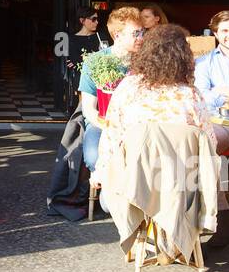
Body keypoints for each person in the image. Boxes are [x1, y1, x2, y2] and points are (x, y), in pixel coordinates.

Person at [93, 24, 221, 259]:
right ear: (183, 57)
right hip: (181, 185)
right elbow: (209, 146)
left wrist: (100, 173)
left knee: (111, 191)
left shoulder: (128, 88)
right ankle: (176, 238)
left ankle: (146, 236)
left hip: (136, 182)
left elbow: (112, 136)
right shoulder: (190, 95)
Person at [77, 6, 141, 173]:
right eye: (136, 33)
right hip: (102, 123)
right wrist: (107, 126)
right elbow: (89, 108)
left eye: (142, 33)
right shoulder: (95, 62)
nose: (141, 38)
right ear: (118, 35)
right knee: (94, 159)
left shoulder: (147, 62)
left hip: (138, 124)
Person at [66, 6, 107, 102]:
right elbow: (74, 62)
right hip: (82, 77)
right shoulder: (72, 39)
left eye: (97, 19)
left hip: (101, 76)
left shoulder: (100, 36)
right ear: (82, 20)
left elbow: (106, 57)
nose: (96, 22)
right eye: (93, 19)